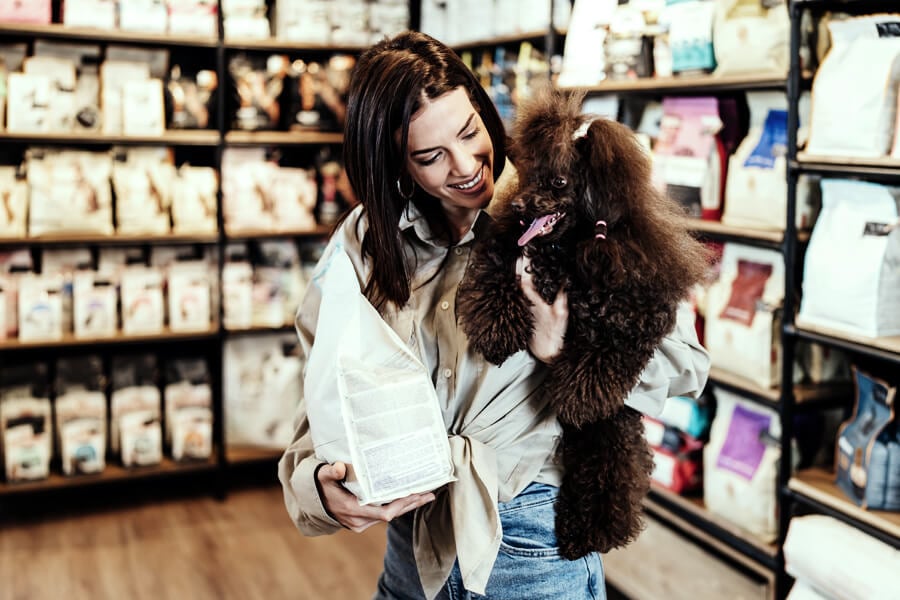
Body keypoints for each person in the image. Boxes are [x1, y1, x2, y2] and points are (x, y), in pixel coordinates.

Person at [279, 30, 710, 600]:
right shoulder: (367, 241)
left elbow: (686, 365)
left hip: (531, 546)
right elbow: (322, 395)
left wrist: (564, 348)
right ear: (395, 163)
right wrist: (318, 487)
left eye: (469, 133)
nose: (465, 168)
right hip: (416, 553)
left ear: (485, 111)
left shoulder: (569, 200)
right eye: (430, 156)